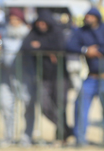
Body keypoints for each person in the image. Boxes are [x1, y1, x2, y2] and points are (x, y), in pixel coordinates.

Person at [66, 8, 104, 147]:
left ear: (97, 17)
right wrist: (85, 50)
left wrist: (97, 51)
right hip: (92, 76)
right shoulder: (81, 31)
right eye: (87, 16)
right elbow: (70, 45)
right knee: (80, 104)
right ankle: (80, 138)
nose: (88, 18)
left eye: (91, 16)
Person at [24, 9, 70, 142]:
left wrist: (39, 46)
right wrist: (47, 50)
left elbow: (60, 47)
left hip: (60, 75)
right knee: (45, 105)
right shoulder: (34, 32)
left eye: (44, 23)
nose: (41, 26)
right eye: (39, 23)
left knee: (60, 105)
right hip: (43, 75)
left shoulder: (57, 31)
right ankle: (66, 129)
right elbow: (26, 46)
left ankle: (61, 136)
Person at [0, 9, 34, 146]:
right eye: (11, 19)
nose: (13, 22)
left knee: (28, 104)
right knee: (5, 104)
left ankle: (27, 136)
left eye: (16, 19)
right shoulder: (2, 33)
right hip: (6, 74)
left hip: (25, 74)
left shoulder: (28, 33)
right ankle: (9, 136)